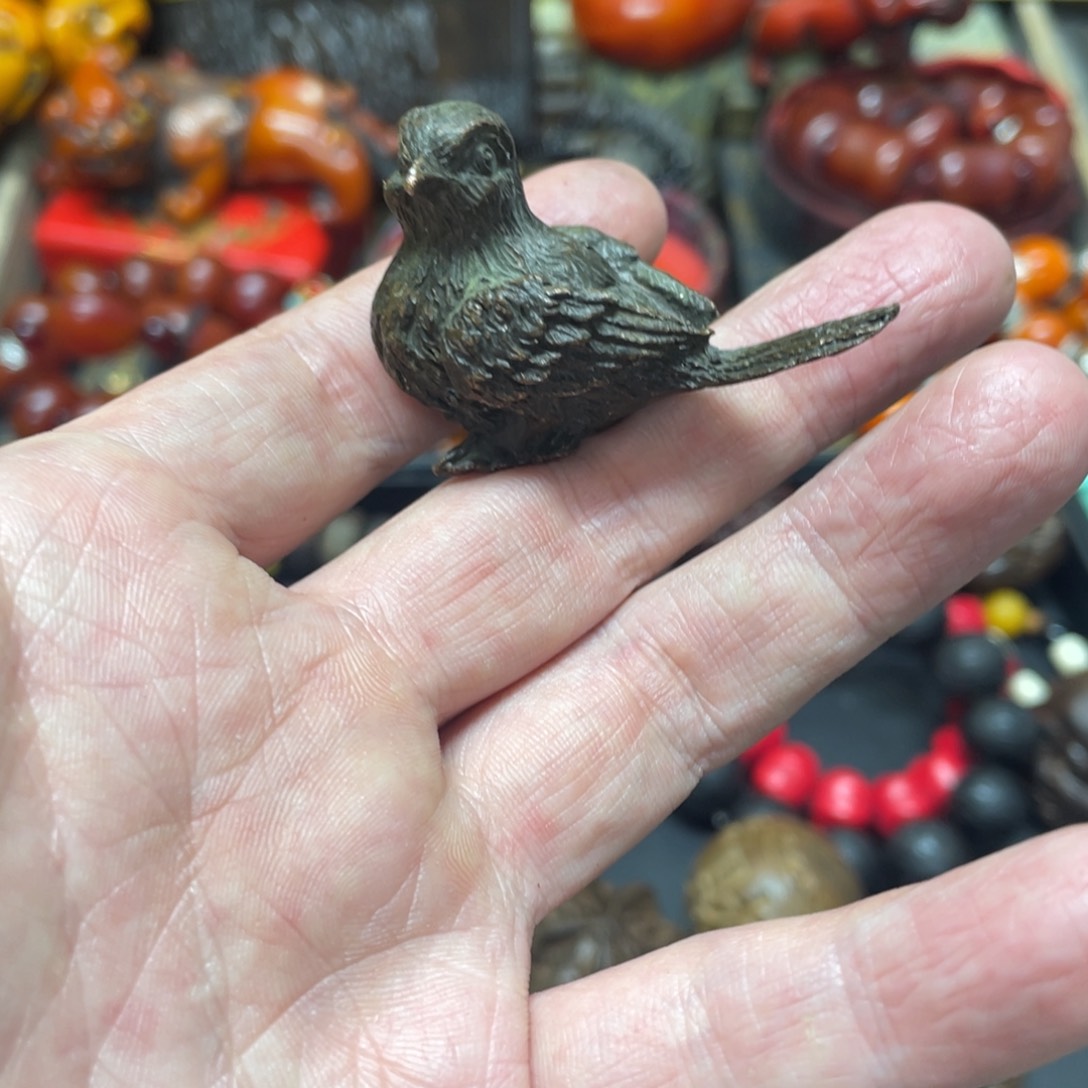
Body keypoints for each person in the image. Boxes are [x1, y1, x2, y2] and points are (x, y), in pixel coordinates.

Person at [1, 157, 1087, 1088]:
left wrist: (606, 392)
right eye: (412, 164)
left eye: (457, 162)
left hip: (609, 380)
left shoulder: (485, 302)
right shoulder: (430, 298)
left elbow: (632, 318)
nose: (419, 177)